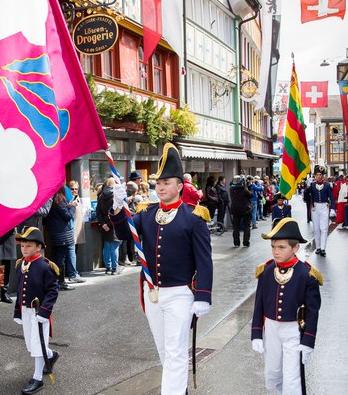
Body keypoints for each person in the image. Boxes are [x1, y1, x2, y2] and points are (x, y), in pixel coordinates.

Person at [111, 143, 213, 395]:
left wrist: (203, 296)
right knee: (164, 351)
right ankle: (180, 390)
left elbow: (204, 261)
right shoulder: (147, 213)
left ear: (179, 185)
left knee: (176, 350)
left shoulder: (194, 217)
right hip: (153, 293)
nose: (160, 187)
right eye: (158, 182)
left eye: (166, 182)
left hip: (180, 293)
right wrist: (117, 206)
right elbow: (124, 232)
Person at [251, 218, 323, 395]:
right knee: (273, 372)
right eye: (273, 247)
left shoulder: (307, 275)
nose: (276, 252)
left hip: (293, 330)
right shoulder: (266, 271)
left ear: (295, 247)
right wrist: (256, 334)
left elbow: (313, 311)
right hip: (272, 328)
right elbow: (259, 303)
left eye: (281, 247)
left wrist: (308, 341)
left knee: (292, 376)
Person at [14, 227, 60, 395]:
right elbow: (20, 291)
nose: (24, 249)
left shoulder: (45, 266)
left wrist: (44, 312)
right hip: (26, 311)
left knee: (37, 344)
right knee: (31, 343)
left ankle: (37, 378)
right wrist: (18, 312)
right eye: (22, 246)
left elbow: (53, 291)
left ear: (39, 247)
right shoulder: (21, 264)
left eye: (29, 246)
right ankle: (51, 355)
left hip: (39, 312)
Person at [45, 186, 84, 290]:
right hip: (62, 234)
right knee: (60, 259)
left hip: (54, 232)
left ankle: (54, 281)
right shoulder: (59, 200)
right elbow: (67, 216)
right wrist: (73, 206)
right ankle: (61, 282)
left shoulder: (50, 200)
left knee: (55, 257)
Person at [304, 164, 336, 257]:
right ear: (315, 176)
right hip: (315, 208)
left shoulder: (327, 186)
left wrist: (333, 208)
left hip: (324, 207)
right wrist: (306, 187)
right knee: (316, 229)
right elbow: (306, 197)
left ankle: (323, 248)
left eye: (321, 175)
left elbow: (331, 198)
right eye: (317, 174)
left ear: (323, 176)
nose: (319, 176)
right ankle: (318, 247)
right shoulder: (312, 185)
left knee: (324, 229)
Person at [97, 177, 122, 274]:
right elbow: (116, 213)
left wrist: (103, 224)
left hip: (104, 224)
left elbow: (98, 212)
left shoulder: (101, 196)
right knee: (114, 246)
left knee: (107, 246)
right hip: (114, 224)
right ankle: (115, 268)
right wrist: (109, 224)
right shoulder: (116, 197)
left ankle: (108, 267)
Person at [229, 175, 252, 247]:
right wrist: (248, 187)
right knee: (247, 226)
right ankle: (246, 242)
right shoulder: (245, 190)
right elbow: (251, 195)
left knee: (236, 227)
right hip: (245, 210)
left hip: (235, 209)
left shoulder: (231, 189)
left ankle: (236, 243)